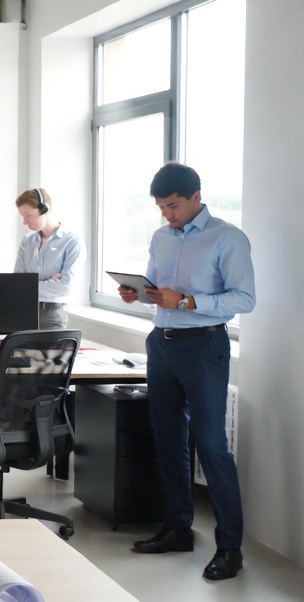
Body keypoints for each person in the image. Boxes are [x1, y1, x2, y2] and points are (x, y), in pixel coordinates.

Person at [118, 162, 254, 581]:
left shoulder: (227, 237)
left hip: (204, 347)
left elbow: (244, 299)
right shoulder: (161, 237)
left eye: (173, 205)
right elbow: (161, 293)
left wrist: (186, 302)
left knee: (211, 445)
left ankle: (230, 547)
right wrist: (138, 294)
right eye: (161, 207)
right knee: (168, 439)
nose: (166, 214)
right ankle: (178, 527)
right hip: (161, 344)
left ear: (197, 196)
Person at [14, 188, 83, 329]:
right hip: (24, 311)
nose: (25, 222)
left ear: (45, 209)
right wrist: (50, 281)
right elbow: (17, 283)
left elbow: (65, 287)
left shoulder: (72, 241)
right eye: (22, 217)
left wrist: (29, 284)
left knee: (52, 351)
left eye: (28, 216)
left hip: (53, 315)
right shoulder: (27, 241)